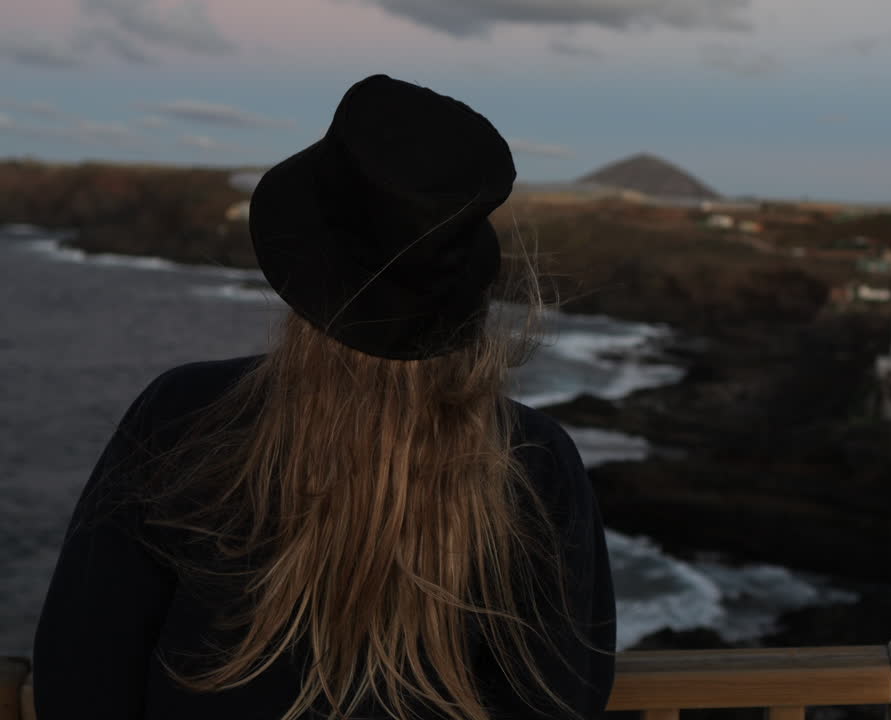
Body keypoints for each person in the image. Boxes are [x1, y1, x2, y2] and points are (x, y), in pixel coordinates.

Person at [32, 74, 616, 720]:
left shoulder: (182, 416)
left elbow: (78, 679)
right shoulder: (537, 464)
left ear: (303, 271)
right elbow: (563, 699)